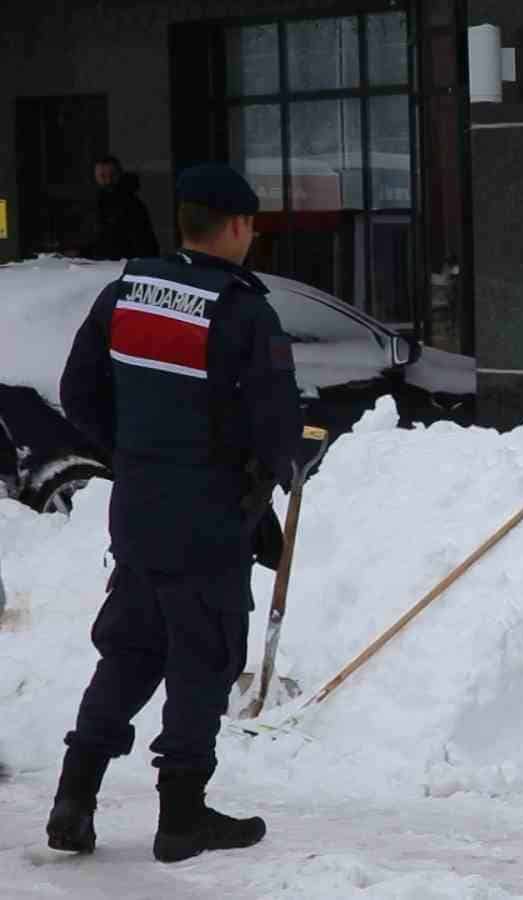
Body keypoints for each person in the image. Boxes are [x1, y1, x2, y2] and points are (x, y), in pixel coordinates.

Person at [47, 163, 302, 862]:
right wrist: (264, 493)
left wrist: (133, 455)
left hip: (137, 517)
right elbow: (276, 431)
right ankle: (182, 818)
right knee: (203, 660)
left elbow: (78, 392)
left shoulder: (125, 292)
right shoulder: (243, 311)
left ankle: (74, 797)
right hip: (208, 525)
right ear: (239, 226)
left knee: (129, 652)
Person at [79, 156, 161, 261]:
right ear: (95, 177)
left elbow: (146, 243)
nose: (108, 180)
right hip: (98, 263)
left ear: (119, 175)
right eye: (103, 176)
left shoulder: (134, 205)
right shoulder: (92, 204)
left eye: (112, 175)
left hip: (125, 264)